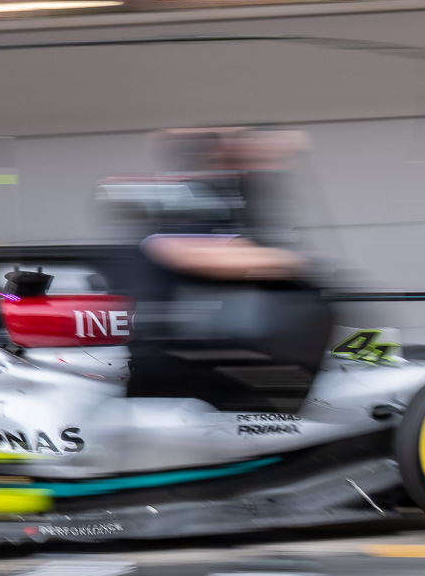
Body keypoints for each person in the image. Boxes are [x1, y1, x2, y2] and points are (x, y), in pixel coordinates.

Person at [123, 127, 333, 413]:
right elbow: (192, 253)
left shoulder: (232, 201)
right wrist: (294, 261)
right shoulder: (188, 198)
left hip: (200, 350)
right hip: (177, 357)